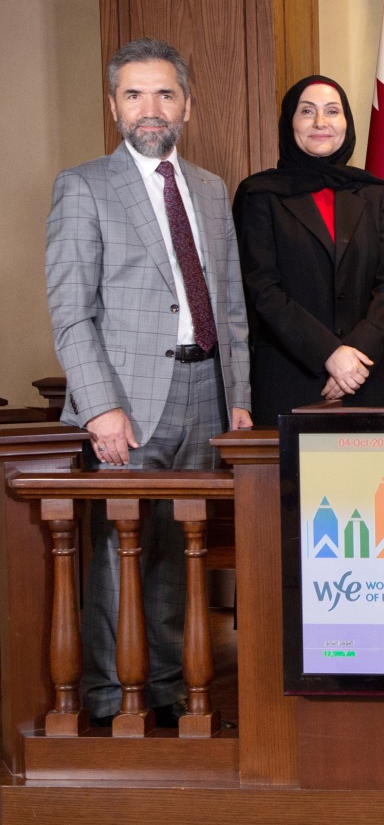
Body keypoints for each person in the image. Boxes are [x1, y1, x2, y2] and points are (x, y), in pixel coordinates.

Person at [45, 37, 253, 725]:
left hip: (204, 393)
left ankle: (167, 692)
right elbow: (71, 313)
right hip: (127, 402)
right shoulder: (84, 187)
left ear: (186, 104)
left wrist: (240, 400)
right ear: (114, 106)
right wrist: (101, 410)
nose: (150, 108)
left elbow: (230, 307)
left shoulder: (210, 189)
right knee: (119, 549)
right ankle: (110, 700)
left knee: (179, 550)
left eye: (164, 93)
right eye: (134, 94)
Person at [233, 75, 384, 423]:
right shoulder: (259, 195)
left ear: (346, 122)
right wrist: (330, 354)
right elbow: (262, 290)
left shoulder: (373, 193)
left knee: (374, 479)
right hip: (291, 377)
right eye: (307, 111)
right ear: (289, 122)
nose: (320, 122)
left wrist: (355, 356)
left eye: (332, 111)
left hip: (365, 375)